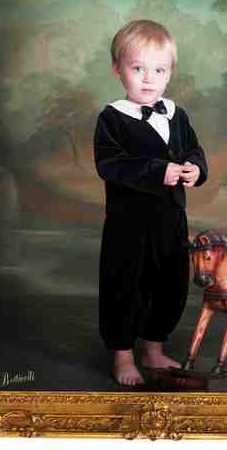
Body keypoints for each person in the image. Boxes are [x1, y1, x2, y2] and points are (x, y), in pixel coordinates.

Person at [93, 20, 208, 386]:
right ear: (117, 69)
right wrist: (158, 171)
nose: (148, 79)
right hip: (129, 227)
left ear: (170, 72)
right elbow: (110, 165)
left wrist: (195, 169)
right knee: (126, 286)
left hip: (171, 222)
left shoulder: (177, 114)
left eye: (159, 70)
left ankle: (153, 349)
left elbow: (194, 149)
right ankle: (123, 355)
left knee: (170, 285)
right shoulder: (112, 118)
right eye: (138, 68)